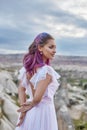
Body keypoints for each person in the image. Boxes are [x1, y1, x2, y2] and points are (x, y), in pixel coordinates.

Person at [15, 32, 61, 130]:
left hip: (29, 113)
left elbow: (21, 89)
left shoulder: (27, 69)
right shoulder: (46, 71)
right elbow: (37, 99)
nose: (54, 51)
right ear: (40, 48)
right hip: (43, 114)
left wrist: (23, 109)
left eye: (55, 48)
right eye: (51, 47)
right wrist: (31, 104)